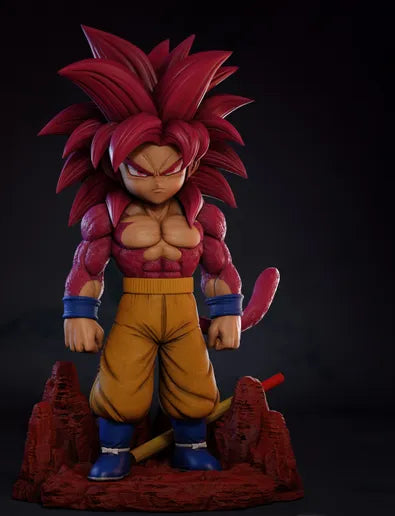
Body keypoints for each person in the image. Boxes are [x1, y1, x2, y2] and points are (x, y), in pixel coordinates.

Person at [40, 25, 275, 481]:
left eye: (171, 170)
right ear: (116, 165)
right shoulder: (108, 217)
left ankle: (191, 448)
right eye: (141, 171)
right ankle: (113, 452)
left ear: (192, 163)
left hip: (183, 309)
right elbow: (88, 265)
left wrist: (228, 311)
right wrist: (79, 314)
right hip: (135, 308)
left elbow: (218, 266)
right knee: (121, 380)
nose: (158, 182)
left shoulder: (202, 217)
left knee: (193, 379)